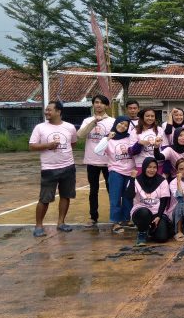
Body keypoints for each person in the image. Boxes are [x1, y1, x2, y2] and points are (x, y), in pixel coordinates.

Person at [29, 101, 78, 237]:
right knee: (44, 198)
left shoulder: (70, 127)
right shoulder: (40, 128)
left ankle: (61, 223)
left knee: (65, 196)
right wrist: (48, 145)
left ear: (58, 112)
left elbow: (73, 143)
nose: (46, 112)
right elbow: (32, 146)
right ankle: (39, 226)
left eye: (49, 110)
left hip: (68, 167)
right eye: (46, 110)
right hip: (49, 168)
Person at [95, 116, 141, 234]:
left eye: (126, 125)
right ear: (116, 123)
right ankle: (115, 222)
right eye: (121, 123)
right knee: (115, 198)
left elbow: (136, 148)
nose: (123, 126)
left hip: (130, 172)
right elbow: (97, 151)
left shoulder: (130, 137)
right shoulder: (109, 138)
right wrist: (107, 138)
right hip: (116, 171)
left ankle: (127, 218)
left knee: (128, 197)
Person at [77, 94, 115, 228]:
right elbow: (80, 135)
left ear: (106, 106)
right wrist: (94, 122)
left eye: (102, 103)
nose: (99, 105)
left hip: (108, 161)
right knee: (93, 190)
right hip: (92, 161)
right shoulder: (87, 120)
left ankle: (115, 217)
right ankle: (93, 217)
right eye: (96, 102)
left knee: (112, 190)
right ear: (93, 104)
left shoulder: (112, 121)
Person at [126, 157, 172, 246]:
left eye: (154, 167)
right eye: (149, 167)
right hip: (140, 212)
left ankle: (150, 229)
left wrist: (159, 216)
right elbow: (129, 196)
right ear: (144, 167)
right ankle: (142, 233)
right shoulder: (136, 179)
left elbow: (164, 200)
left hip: (157, 213)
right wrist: (132, 179)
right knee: (144, 212)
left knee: (162, 238)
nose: (152, 170)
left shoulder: (162, 181)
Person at [130, 108, 167, 172]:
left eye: (152, 116)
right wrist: (139, 144)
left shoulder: (159, 129)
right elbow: (131, 152)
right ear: (142, 117)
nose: (150, 118)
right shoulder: (135, 131)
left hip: (158, 164)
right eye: (147, 116)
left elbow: (165, 149)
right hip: (142, 164)